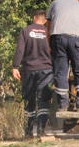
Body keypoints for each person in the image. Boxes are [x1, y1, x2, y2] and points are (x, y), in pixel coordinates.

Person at [47, 0, 79, 111]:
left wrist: (49, 44)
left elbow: (49, 24)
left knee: (61, 72)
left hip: (58, 39)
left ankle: (62, 105)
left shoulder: (56, 2)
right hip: (77, 40)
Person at [12, 10, 53, 138]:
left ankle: (28, 132)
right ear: (45, 20)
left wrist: (15, 66)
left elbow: (20, 49)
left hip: (28, 69)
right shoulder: (49, 33)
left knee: (29, 100)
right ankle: (41, 131)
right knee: (43, 100)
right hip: (46, 70)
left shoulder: (26, 30)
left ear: (34, 18)